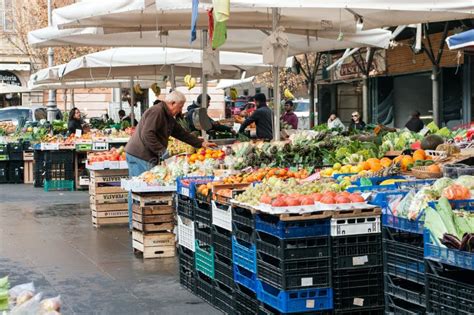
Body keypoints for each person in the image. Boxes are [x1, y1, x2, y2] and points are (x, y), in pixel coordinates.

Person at [125, 91, 216, 229]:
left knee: (144, 190)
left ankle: (144, 223)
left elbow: (180, 133)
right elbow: (147, 134)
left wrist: (200, 143)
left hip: (146, 155)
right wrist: (163, 152)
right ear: (172, 103)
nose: (180, 110)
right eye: (180, 106)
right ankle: (137, 225)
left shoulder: (167, 116)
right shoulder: (157, 112)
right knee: (140, 191)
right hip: (140, 155)